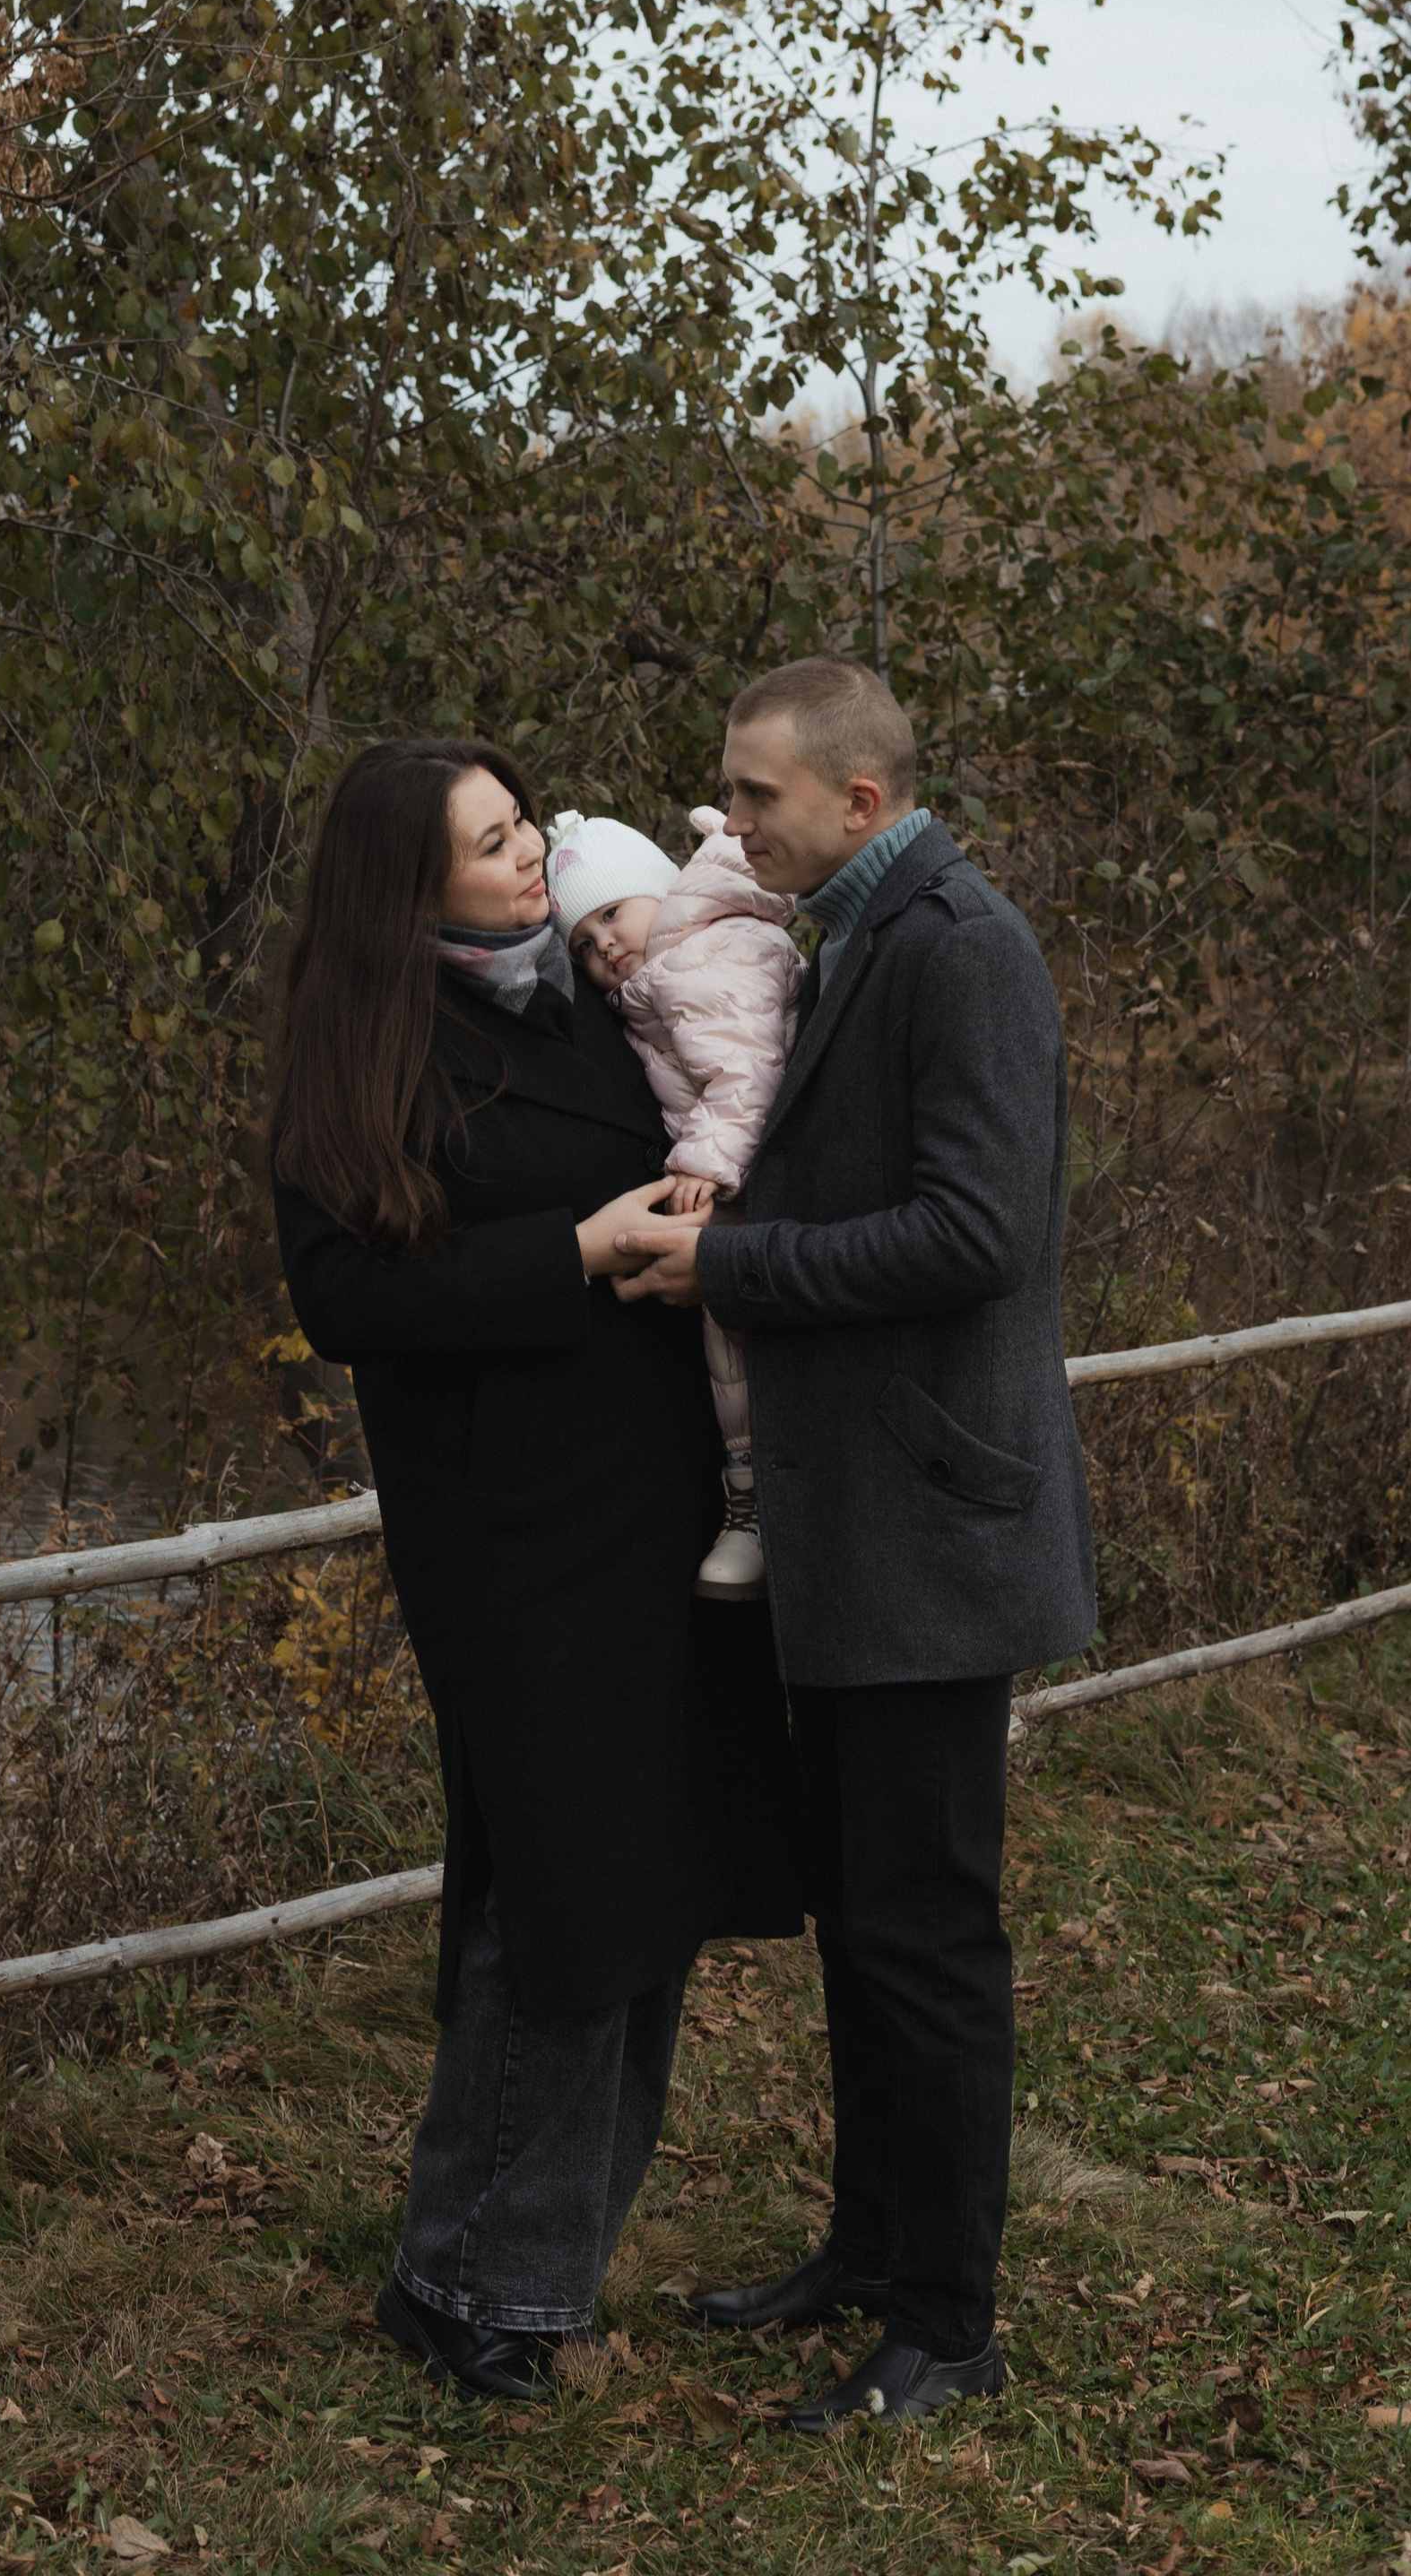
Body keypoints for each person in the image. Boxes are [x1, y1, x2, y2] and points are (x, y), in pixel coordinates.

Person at [268, 739, 801, 2404]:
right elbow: (347, 1300)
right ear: (405, 885)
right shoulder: (368, 1047)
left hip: (661, 1507)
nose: (529, 856)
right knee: (561, 1892)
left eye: (523, 826)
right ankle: (465, 2284)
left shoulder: (596, 985)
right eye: (491, 843)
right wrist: (568, 1252)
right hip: (514, 1531)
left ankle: (533, 2276)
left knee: (646, 1887)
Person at [611, 656, 1097, 2433]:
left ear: (857, 802)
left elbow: (975, 1234)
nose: (731, 823)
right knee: (869, 1919)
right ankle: (877, 2253)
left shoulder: (959, 949)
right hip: (862, 1523)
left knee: (925, 1932)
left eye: (754, 795)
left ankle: (947, 2324)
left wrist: (728, 1268)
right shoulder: (850, 933)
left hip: (929, 1529)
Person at [545, 805, 803, 1600]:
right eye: (582, 944)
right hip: (749, 1183)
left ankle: (758, 1508)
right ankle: (757, 1503)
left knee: (738, 1338)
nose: (602, 946)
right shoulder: (663, 974)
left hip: (752, 1180)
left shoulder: (701, 959)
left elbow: (748, 1071)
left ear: (660, 889)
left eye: (611, 913)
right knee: (732, 1344)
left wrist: (701, 1161)